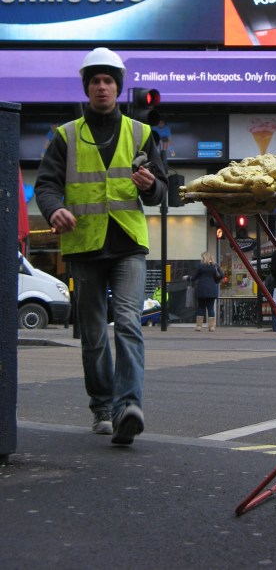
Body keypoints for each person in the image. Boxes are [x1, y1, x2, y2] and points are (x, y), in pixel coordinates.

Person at [35, 47, 168, 445]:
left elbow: (161, 191)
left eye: (108, 80)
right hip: (84, 245)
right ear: (87, 88)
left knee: (128, 323)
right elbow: (46, 184)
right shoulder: (66, 135)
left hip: (128, 243)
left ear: (118, 87)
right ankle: (102, 406)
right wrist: (54, 209)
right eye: (95, 80)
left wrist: (152, 186)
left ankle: (128, 406)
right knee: (93, 333)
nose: (102, 87)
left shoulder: (142, 133)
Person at [187, 251, 222, 332]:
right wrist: (215, 281)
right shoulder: (215, 266)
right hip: (212, 290)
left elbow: (194, 278)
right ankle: (211, 327)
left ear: (204, 257)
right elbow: (221, 275)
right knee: (210, 308)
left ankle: (199, 326)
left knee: (201, 307)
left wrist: (187, 278)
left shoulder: (200, 266)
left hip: (202, 289)